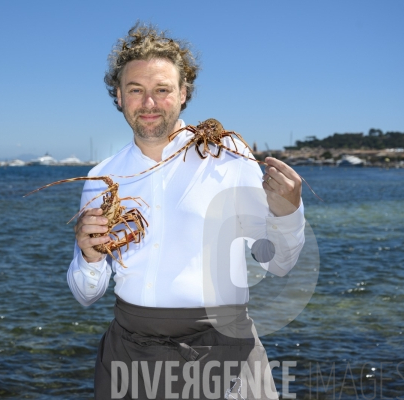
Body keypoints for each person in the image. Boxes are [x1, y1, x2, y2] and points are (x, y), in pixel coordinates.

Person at [67, 23, 305, 400]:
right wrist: (88, 255)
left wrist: (288, 213)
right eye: (136, 90)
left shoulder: (230, 157)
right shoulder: (100, 178)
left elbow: (277, 263)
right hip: (130, 356)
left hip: (224, 350)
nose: (149, 103)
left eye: (162, 90)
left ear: (183, 93)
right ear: (118, 96)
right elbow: (85, 293)